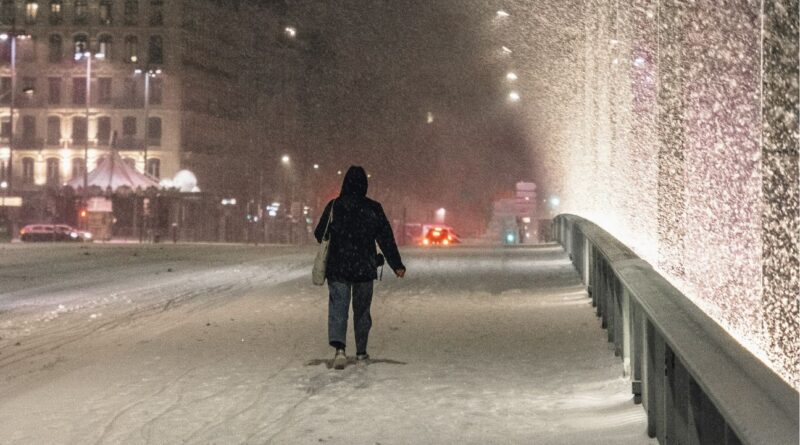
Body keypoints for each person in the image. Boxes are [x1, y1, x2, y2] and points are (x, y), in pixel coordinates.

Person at [314, 166, 406, 370]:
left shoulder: (334, 206)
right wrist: (396, 265)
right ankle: (361, 352)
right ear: (365, 184)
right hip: (364, 267)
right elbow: (386, 238)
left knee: (338, 308)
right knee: (362, 311)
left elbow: (319, 233)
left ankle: (340, 350)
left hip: (338, 267)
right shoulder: (373, 208)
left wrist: (339, 238)